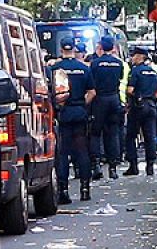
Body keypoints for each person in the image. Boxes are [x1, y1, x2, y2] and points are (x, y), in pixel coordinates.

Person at [46, 36, 95, 202]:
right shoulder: (83, 68)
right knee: (82, 151)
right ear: (74, 49)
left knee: (63, 154)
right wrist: (82, 105)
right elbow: (92, 92)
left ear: (61, 49)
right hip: (79, 112)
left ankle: (63, 191)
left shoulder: (55, 69)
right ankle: (85, 189)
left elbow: (50, 92)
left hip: (63, 114)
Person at [89, 36, 126, 180]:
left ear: (101, 48)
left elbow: (92, 82)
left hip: (100, 99)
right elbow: (121, 78)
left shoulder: (95, 64)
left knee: (95, 133)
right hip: (114, 99)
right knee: (113, 133)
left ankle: (96, 164)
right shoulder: (118, 63)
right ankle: (113, 167)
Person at [124, 46, 157, 175]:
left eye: (134, 56)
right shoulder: (152, 72)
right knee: (150, 137)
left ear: (140, 56)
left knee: (130, 136)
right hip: (151, 106)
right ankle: (150, 166)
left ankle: (133, 166)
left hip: (138, 107)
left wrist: (133, 99)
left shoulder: (135, 71)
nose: (132, 58)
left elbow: (130, 90)